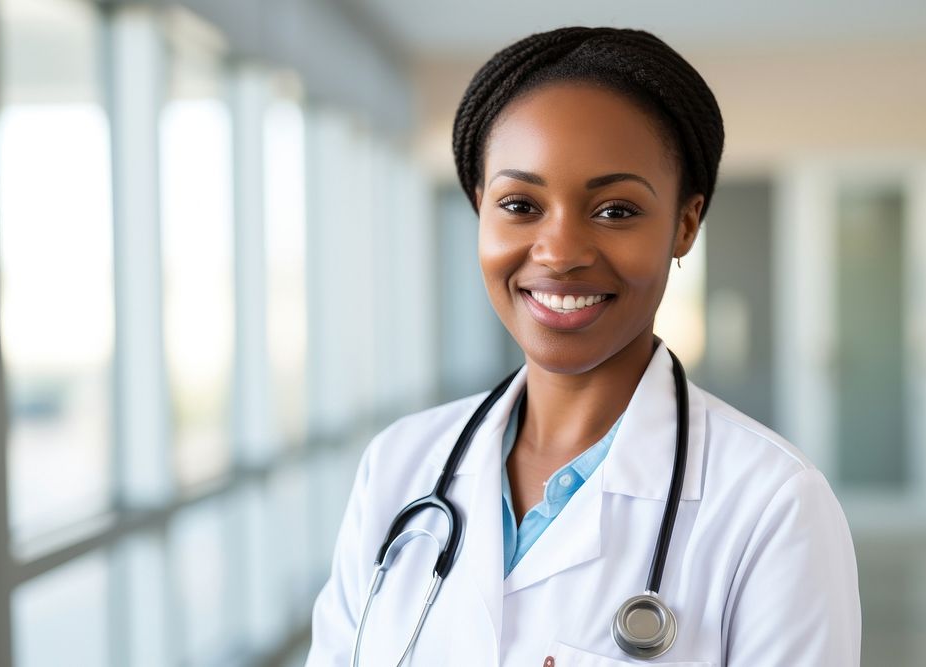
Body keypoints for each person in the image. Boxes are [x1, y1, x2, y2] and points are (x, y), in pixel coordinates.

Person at [307, 27, 860, 666]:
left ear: (684, 224)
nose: (561, 253)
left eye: (616, 210)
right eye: (520, 204)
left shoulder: (773, 506)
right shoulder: (398, 467)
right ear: (479, 208)